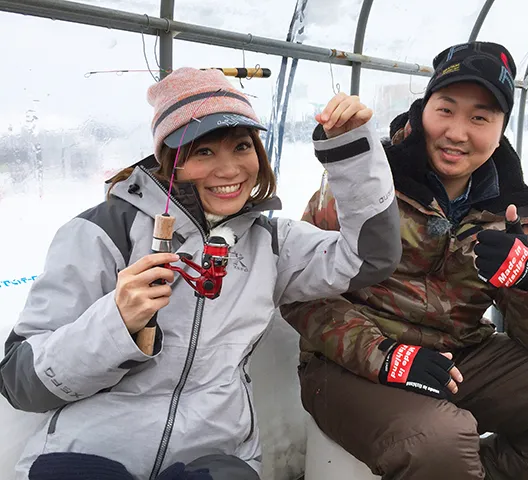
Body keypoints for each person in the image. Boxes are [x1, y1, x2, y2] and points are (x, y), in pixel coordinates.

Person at [0, 67, 402, 479]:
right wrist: (115, 322)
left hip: (214, 454)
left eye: (242, 147)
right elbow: (20, 382)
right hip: (92, 451)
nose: (229, 170)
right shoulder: (102, 232)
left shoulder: (273, 242)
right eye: (203, 151)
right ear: (168, 159)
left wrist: (351, 150)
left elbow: (369, 257)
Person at [280, 41, 528, 480]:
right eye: (445, 109)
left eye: (480, 117)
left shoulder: (512, 208)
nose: (458, 132)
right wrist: (386, 357)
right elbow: (300, 292)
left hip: (459, 357)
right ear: (423, 109)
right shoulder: (365, 182)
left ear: (501, 127)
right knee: (439, 438)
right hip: (349, 368)